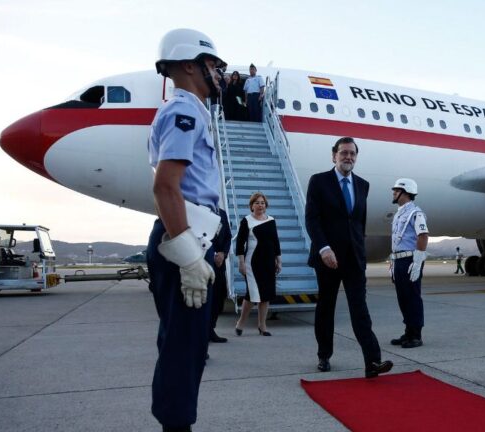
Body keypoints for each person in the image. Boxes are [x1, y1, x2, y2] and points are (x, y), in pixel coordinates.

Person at [146, 28, 225, 432]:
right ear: (190, 65)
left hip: (190, 236)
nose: (219, 74)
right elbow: (165, 186)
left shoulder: (190, 110)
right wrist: (190, 256)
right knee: (183, 348)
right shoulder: (186, 110)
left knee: (187, 346)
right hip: (184, 240)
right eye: (214, 65)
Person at [305, 136, 393, 378]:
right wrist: (323, 248)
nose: (348, 157)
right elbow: (312, 219)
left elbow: (358, 223)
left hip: (354, 258)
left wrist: (362, 253)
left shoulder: (363, 185)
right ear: (334, 156)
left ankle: (373, 362)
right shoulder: (319, 181)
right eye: (344, 153)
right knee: (326, 307)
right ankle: (324, 355)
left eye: (352, 153)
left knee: (360, 309)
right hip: (327, 258)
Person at [388, 178, 429, 349]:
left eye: (397, 190)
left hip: (410, 259)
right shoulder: (399, 213)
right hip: (398, 259)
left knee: (412, 297)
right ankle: (408, 331)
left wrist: (418, 261)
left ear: (406, 193)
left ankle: (416, 335)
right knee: (403, 298)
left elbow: (423, 235)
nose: (394, 193)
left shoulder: (415, 213)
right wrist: (392, 262)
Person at [235, 192, 281, 336]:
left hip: (268, 262)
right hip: (252, 263)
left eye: (262, 203)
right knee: (252, 294)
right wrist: (241, 263)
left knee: (266, 294)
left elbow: (275, 242)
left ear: (265, 205)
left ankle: (262, 325)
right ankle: (241, 322)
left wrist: (278, 260)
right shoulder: (246, 221)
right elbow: (239, 243)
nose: (260, 205)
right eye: (257, 203)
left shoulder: (271, 220)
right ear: (251, 206)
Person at [209, 208, 231, 343]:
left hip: (219, 263)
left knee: (218, 297)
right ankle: (202, 331)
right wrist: (212, 254)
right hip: (204, 261)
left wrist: (223, 253)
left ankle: (211, 329)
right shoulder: (200, 209)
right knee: (206, 298)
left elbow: (228, 235)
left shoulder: (222, 213)